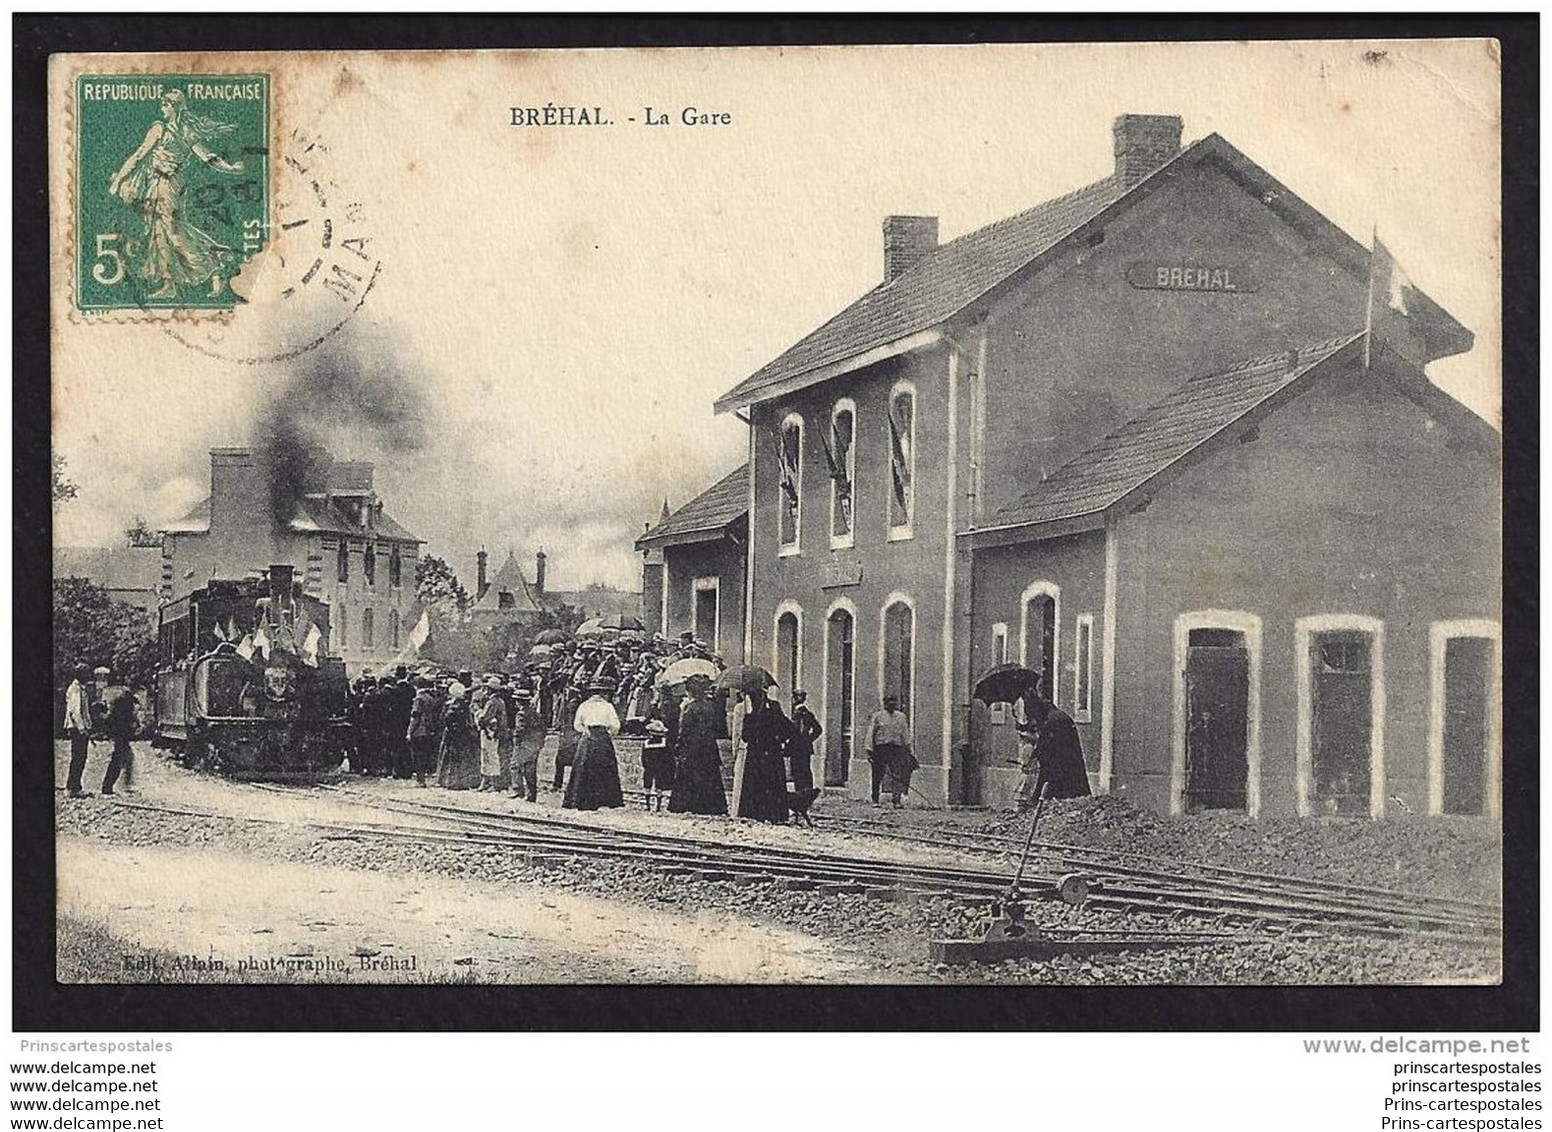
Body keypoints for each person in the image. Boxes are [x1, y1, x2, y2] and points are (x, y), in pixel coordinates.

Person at [107, 89, 247, 301]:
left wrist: (231, 169)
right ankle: (170, 282)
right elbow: (140, 156)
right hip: (157, 184)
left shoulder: (164, 130)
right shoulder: (174, 130)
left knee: (172, 232)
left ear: (175, 107)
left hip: (168, 186)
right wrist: (232, 168)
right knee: (161, 231)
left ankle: (212, 266)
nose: (161, 108)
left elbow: (207, 158)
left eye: (165, 104)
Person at [1015, 691, 1092, 807]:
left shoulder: (1053, 721)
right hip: (1066, 765)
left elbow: (1042, 747)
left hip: (1061, 767)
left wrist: (1032, 756)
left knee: (1058, 795)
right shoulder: (1053, 715)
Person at [666, 675, 728, 816]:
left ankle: (688, 805)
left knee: (688, 776)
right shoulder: (711, 707)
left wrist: (678, 746)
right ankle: (711, 806)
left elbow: (684, 731)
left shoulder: (689, 708)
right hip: (708, 746)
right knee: (710, 775)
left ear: (690, 692)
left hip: (692, 748)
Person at [736, 687, 794, 824]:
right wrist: (780, 740)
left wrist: (748, 721)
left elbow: (745, 737)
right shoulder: (774, 708)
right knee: (772, 784)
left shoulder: (752, 714)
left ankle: (756, 813)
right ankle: (775, 813)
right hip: (772, 753)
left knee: (757, 784)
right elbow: (788, 729)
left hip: (756, 754)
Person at [563, 687, 625, 811]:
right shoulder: (608, 706)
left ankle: (579, 799)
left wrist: (585, 730)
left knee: (583, 767)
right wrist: (608, 733)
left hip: (588, 737)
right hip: (602, 738)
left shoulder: (584, 705)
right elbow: (615, 725)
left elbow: (576, 724)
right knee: (605, 767)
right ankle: (605, 800)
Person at [864, 695, 915, 808]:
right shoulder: (878, 716)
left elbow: (905, 733)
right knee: (877, 774)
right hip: (881, 749)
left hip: (896, 748)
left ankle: (896, 800)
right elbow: (871, 733)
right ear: (885, 704)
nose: (892, 704)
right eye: (889, 702)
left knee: (897, 774)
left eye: (894, 702)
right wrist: (869, 750)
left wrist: (908, 748)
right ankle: (875, 799)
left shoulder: (901, 717)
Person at [640, 684, 680, 810]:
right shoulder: (674, 705)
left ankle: (647, 805)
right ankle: (657, 805)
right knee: (659, 783)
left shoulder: (646, 743)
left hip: (649, 767)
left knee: (648, 782)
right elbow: (668, 757)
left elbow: (643, 758)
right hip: (661, 764)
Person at [99, 674, 138, 796]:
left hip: (120, 733)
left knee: (126, 758)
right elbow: (117, 718)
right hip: (120, 733)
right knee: (119, 759)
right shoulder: (125, 699)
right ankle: (108, 787)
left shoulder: (123, 698)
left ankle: (123, 784)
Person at [435, 686, 480, 790]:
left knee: (450, 756)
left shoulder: (450, 705)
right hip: (464, 733)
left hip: (451, 733)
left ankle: (450, 781)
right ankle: (464, 781)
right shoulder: (466, 705)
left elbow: (444, 719)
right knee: (463, 756)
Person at [63, 665, 95, 798]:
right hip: (77, 728)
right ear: (80, 675)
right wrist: (82, 729)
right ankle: (73, 788)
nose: (88, 676)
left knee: (79, 758)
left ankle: (74, 786)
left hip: (79, 728)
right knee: (78, 758)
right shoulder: (76, 689)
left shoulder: (80, 688)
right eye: (86, 674)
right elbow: (75, 711)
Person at [474, 677, 511, 792]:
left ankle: (493, 783)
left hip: (490, 733)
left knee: (489, 755)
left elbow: (484, 718)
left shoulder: (492, 702)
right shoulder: (500, 701)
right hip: (495, 732)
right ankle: (487, 782)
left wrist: (477, 713)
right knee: (489, 755)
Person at [508, 692, 544, 803]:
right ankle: (532, 794)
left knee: (515, 765)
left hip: (524, 744)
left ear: (519, 701)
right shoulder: (536, 714)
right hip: (535, 744)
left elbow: (520, 730)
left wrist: (516, 741)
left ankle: (518, 790)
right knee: (530, 770)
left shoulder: (521, 714)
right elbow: (543, 729)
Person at [406, 677, 441, 788]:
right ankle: (424, 778)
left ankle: (420, 780)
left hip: (419, 731)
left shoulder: (418, 699)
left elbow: (415, 717)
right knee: (425, 755)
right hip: (429, 730)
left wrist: (409, 732)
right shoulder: (430, 698)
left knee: (417, 756)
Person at [788, 689, 821, 795]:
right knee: (805, 772)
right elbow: (818, 729)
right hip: (804, 748)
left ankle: (802, 797)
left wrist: (805, 740)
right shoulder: (806, 713)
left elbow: (797, 732)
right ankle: (805, 795)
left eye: (793, 698)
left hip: (797, 748)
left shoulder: (800, 714)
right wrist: (808, 740)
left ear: (796, 699)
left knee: (799, 773)